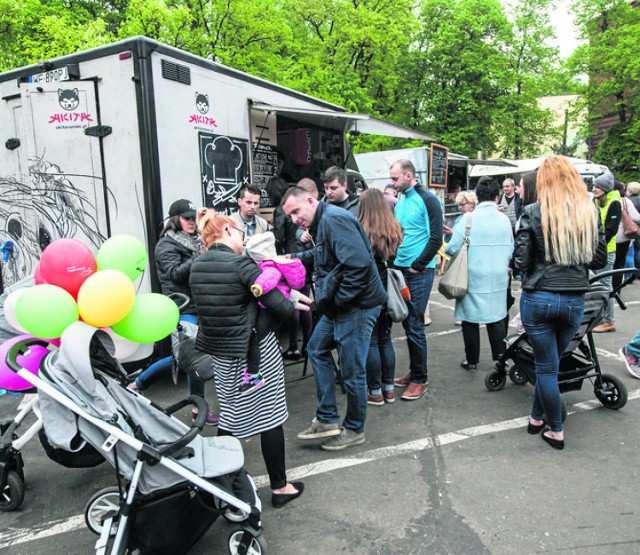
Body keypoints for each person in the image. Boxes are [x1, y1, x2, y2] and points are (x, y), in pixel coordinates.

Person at [190, 208, 304, 508]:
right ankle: (280, 487)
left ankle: (218, 485)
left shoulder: (196, 267)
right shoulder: (241, 265)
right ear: (228, 231)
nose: (244, 237)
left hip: (221, 355)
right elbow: (281, 308)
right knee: (271, 417)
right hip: (257, 354)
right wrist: (263, 323)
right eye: (240, 232)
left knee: (229, 415)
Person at [282, 186, 386, 451]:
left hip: (356, 307)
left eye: (296, 211)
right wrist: (290, 259)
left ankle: (354, 429)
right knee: (315, 348)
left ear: (310, 200)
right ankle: (327, 418)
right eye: (290, 216)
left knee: (352, 372)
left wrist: (337, 302)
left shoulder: (333, 219)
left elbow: (359, 267)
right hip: (342, 306)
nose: (294, 219)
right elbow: (324, 256)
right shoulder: (324, 221)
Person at [514, 155, 606, 451]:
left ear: (544, 182)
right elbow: (599, 260)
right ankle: (535, 417)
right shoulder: (589, 213)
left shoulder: (532, 212)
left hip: (539, 297)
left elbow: (521, 261)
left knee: (546, 368)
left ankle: (556, 429)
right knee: (550, 364)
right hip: (574, 302)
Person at [128, 199, 218, 425]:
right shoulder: (166, 245)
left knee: (184, 358)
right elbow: (176, 274)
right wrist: (201, 255)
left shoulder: (193, 241)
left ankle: (137, 384)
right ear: (175, 220)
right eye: (186, 218)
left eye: (193, 218)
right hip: (182, 306)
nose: (191, 222)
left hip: (199, 304)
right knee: (192, 357)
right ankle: (199, 409)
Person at [445, 179, 513, 371]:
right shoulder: (505, 219)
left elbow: (451, 249)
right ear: (496, 197)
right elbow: (511, 248)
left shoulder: (469, 219)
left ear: (478, 197)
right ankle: (500, 360)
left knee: (470, 319)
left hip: (472, 276)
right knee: (497, 316)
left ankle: (472, 360)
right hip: (499, 276)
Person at [390, 159, 443, 400]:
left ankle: (420, 378)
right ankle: (414, 372)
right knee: (407, 323)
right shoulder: (401, 199)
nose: (392, 183)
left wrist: (418, 265)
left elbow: (436, 237)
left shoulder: (428, 199)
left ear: (409, 176)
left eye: (395, 178)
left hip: (418, 273)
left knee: (415, 324)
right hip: (401, 270)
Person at [243, 231, 310, 393]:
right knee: (296, 301)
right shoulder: (278, 260)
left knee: (255, 334)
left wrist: (258, 287)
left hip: (272, 306)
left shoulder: (268, 266)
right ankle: (307, 304)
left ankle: (252, 374)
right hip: (286, 294)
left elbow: (268, 279)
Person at [358, 189, 404, 405]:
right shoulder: (394, 227)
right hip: (388, 288)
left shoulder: (361, 229)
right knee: (386, 339)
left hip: (369, 289)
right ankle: (389, 389)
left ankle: (374, 391)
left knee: (372, 342)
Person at [267, 176, 313, 358]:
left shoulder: (281, 210)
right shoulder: (299, 210)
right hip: (305, 258)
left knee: (293, 302)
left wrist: (269, 231)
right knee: (306, 301)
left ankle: (293, 346)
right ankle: (307, 346)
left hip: (290, 259)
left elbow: (278, 237)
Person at [591, 172, 622, 333]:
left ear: (605, 188)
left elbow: (610, 230)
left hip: (606, 251)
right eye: (594, 185)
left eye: (597, 186)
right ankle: (599, 318)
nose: (594, 188)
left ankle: (609, 321)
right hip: (595, 250)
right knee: (596, 285)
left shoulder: (614, 202)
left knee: (605, 286)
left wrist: (598, 246)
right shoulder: (596, 201)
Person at [611, 181, 640, 292]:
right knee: (620, 263)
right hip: (623, 236)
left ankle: (605, 288)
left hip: (606, 237)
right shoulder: (625, 201)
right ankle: (617, 288)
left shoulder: (599, 200)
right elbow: (637, 217)